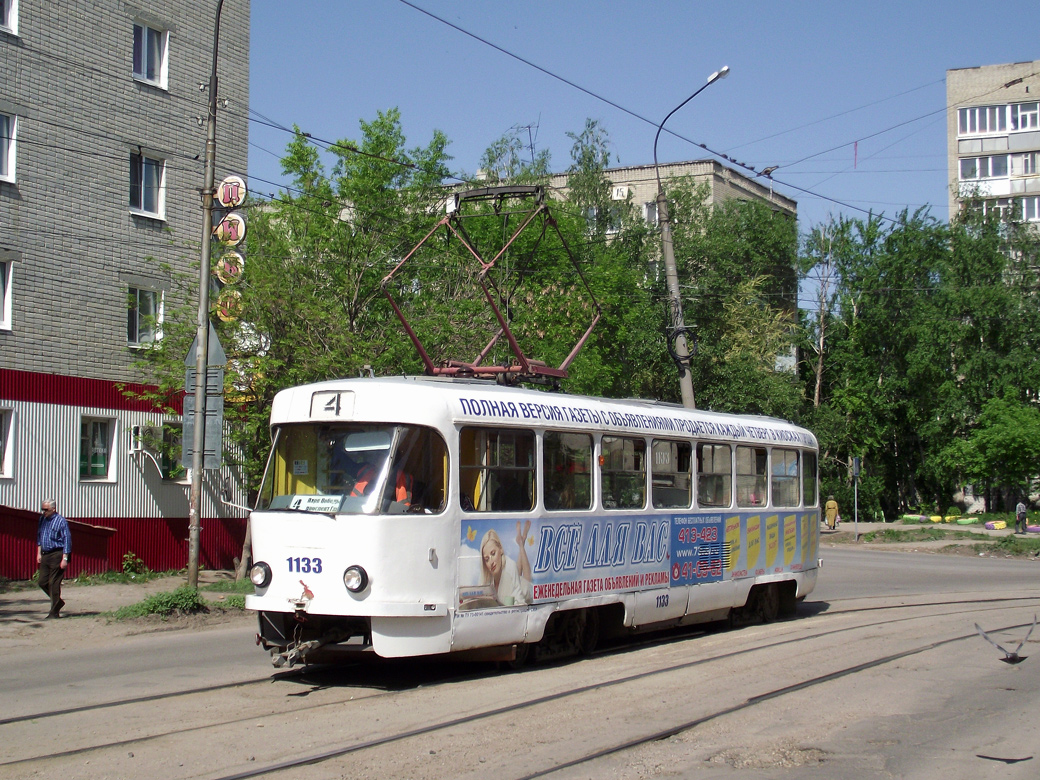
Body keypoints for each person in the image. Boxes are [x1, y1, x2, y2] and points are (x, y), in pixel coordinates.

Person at [480, 522, 533, 606]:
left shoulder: (510, 566)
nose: (491, 562)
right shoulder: (488, 579)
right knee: (515, 572)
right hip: (514, 581)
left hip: (526, 590)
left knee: (527, 580)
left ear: (501, 549)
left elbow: (520, 601)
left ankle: (521, 543)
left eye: (493, 554)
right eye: (486, 559)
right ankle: (521, 542)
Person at [37, 498, 71, 619]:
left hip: (57, 554)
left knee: (53, 583)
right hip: (45, 554)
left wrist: (65, 558)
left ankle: (54, 611)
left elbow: (67, 539)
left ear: (53, 509)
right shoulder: (43, 520)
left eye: (46, 509)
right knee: (42, 582)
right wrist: (39, 553)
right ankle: (59, 602)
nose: (43, 512)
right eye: (42, 509)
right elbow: (39, 536)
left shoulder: (61, 521)